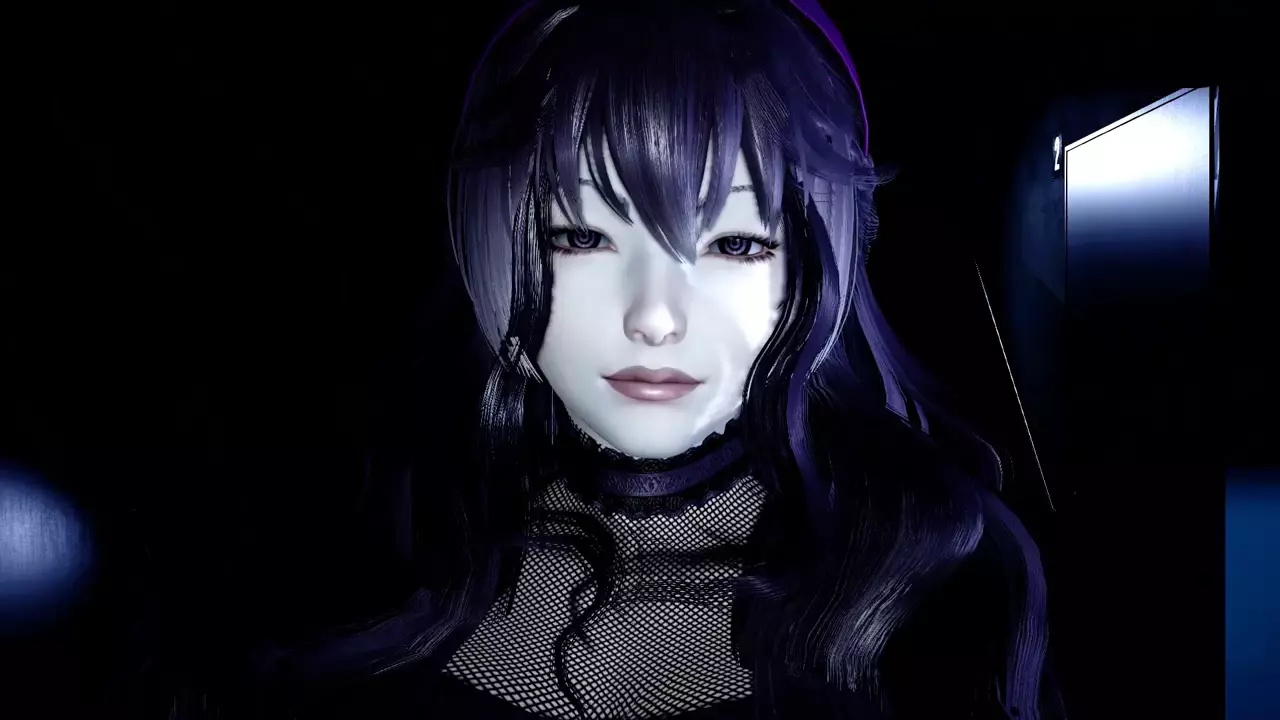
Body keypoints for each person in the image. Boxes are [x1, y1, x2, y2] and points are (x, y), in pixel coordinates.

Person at [125, 1, 1064, 718]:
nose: (654, 318)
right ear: (492, 238)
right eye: (580, 236)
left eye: (734, 243)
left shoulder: (946, 585)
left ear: (818, 260)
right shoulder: (347, 552)